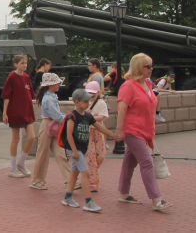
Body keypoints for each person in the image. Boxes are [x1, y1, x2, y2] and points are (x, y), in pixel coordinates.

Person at [115, 53, 172, 211]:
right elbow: (122, 109)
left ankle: (124, 194)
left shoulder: (148, 83)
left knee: (129, 162)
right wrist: (119, 131)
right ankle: (156, 199)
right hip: (133, 130)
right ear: (139, 67)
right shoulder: (128, 86)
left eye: (151, 66)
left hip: (146, 130)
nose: (151, 69)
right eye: (148, 66)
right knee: (147, 162)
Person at [61, 89, 117, 212]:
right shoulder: (72, 116)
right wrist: (74, 151)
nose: (88, 103)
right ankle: (88, 202)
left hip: (81, 148)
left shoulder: (88, 116)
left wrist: (114, 136)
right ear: (77, 102)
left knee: (74, 173)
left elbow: (100, 127)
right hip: (74, 149)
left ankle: (67, 197)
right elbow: (69, 134)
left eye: (88, 101)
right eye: (85, 101)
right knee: (86, 173)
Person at [30, 73, 72, 191]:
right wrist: (70, 118)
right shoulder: (48, 98)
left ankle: (70, 180)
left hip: (52, 125)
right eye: (57, 83)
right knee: (43, 153)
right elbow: (56, 115)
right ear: (50, 84)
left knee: (60, 153)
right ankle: (37, 180)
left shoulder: (51, 96)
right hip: (49, 124)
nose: (59, 85)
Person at [1, 54, 36, 178]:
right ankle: (13, 168)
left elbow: (30, 95)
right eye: (22, 63)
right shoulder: (12, 77)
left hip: (27, 111)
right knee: (15, 139)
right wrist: (5, 112)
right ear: (15, 64)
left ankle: (21, 163)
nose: (24, 65)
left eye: (26, 63)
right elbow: (7, 96)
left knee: (31, 137)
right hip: (15, 111)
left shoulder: (27, 77)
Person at [85, 81, 109, 192]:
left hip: (98, 131)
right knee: (90, 156)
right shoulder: (83, 102)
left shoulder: (101, 103)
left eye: (93, 94)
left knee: (100, 155)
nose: (91, 97)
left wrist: (90, 118)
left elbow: (103, 116)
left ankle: (88, 175)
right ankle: (93, 181)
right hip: (87, 132)